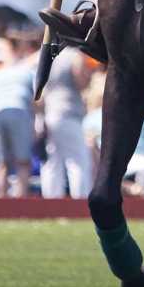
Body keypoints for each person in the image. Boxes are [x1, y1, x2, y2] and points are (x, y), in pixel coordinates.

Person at [0, 39, 39, 198]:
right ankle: (20, 202)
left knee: (3, 164)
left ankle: (0, 202)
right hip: (19, 111)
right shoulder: (27, 72)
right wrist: (37, 124)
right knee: (23, 162)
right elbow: (38, 101)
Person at [40, 43, 94, 199]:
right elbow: (81, 82)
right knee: (78, 160)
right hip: (69, 112)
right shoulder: (75, 55)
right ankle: (81, 200)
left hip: (50, 111)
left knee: (53, 161)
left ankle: (51, 202)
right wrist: (90, 73)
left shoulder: (47, 55)